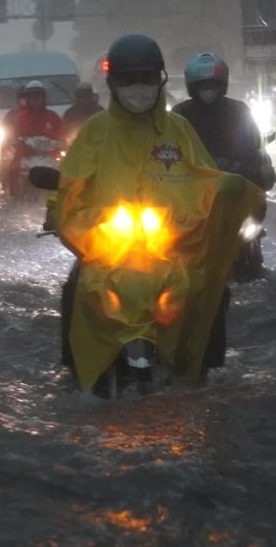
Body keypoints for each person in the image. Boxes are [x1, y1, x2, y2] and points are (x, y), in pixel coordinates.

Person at [52, 34, 265, 393]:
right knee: (76, 289)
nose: (138, 88)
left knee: (209, 288)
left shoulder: (178, 130)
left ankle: (204, 364)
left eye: (146, 78)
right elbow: (70, 184)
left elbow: (202, 176)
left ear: (160, 79)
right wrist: (60, 211)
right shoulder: (96, 132)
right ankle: (76, 369)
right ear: (113, 83)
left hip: (172, 244)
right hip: (108, 246)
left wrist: (228, 188)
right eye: (129, 79)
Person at [172, 52, 276, 281]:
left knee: (251, 228)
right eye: (202, 85)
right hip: (192, 196)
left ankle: (251, 258)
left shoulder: (239, 112)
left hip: (234, 194)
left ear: (223, 85)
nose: (208, 91)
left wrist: (261, 172)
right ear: (192, 87)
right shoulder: (179, 116)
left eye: (213, 85)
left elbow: (256, 149)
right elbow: (166, 154)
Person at [0, 80, 64, 191]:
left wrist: (59, 143)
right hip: (25, 158)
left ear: (43, 98)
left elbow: (62, 136)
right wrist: (16, 143)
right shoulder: (18, 117)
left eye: (38, 96)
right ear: (27, 98)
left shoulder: (53, 117)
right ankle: (14, 197)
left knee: (65, 173)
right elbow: (10, 137)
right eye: (32, 97)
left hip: (50, 158)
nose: (36, 100)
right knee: (12, 170)